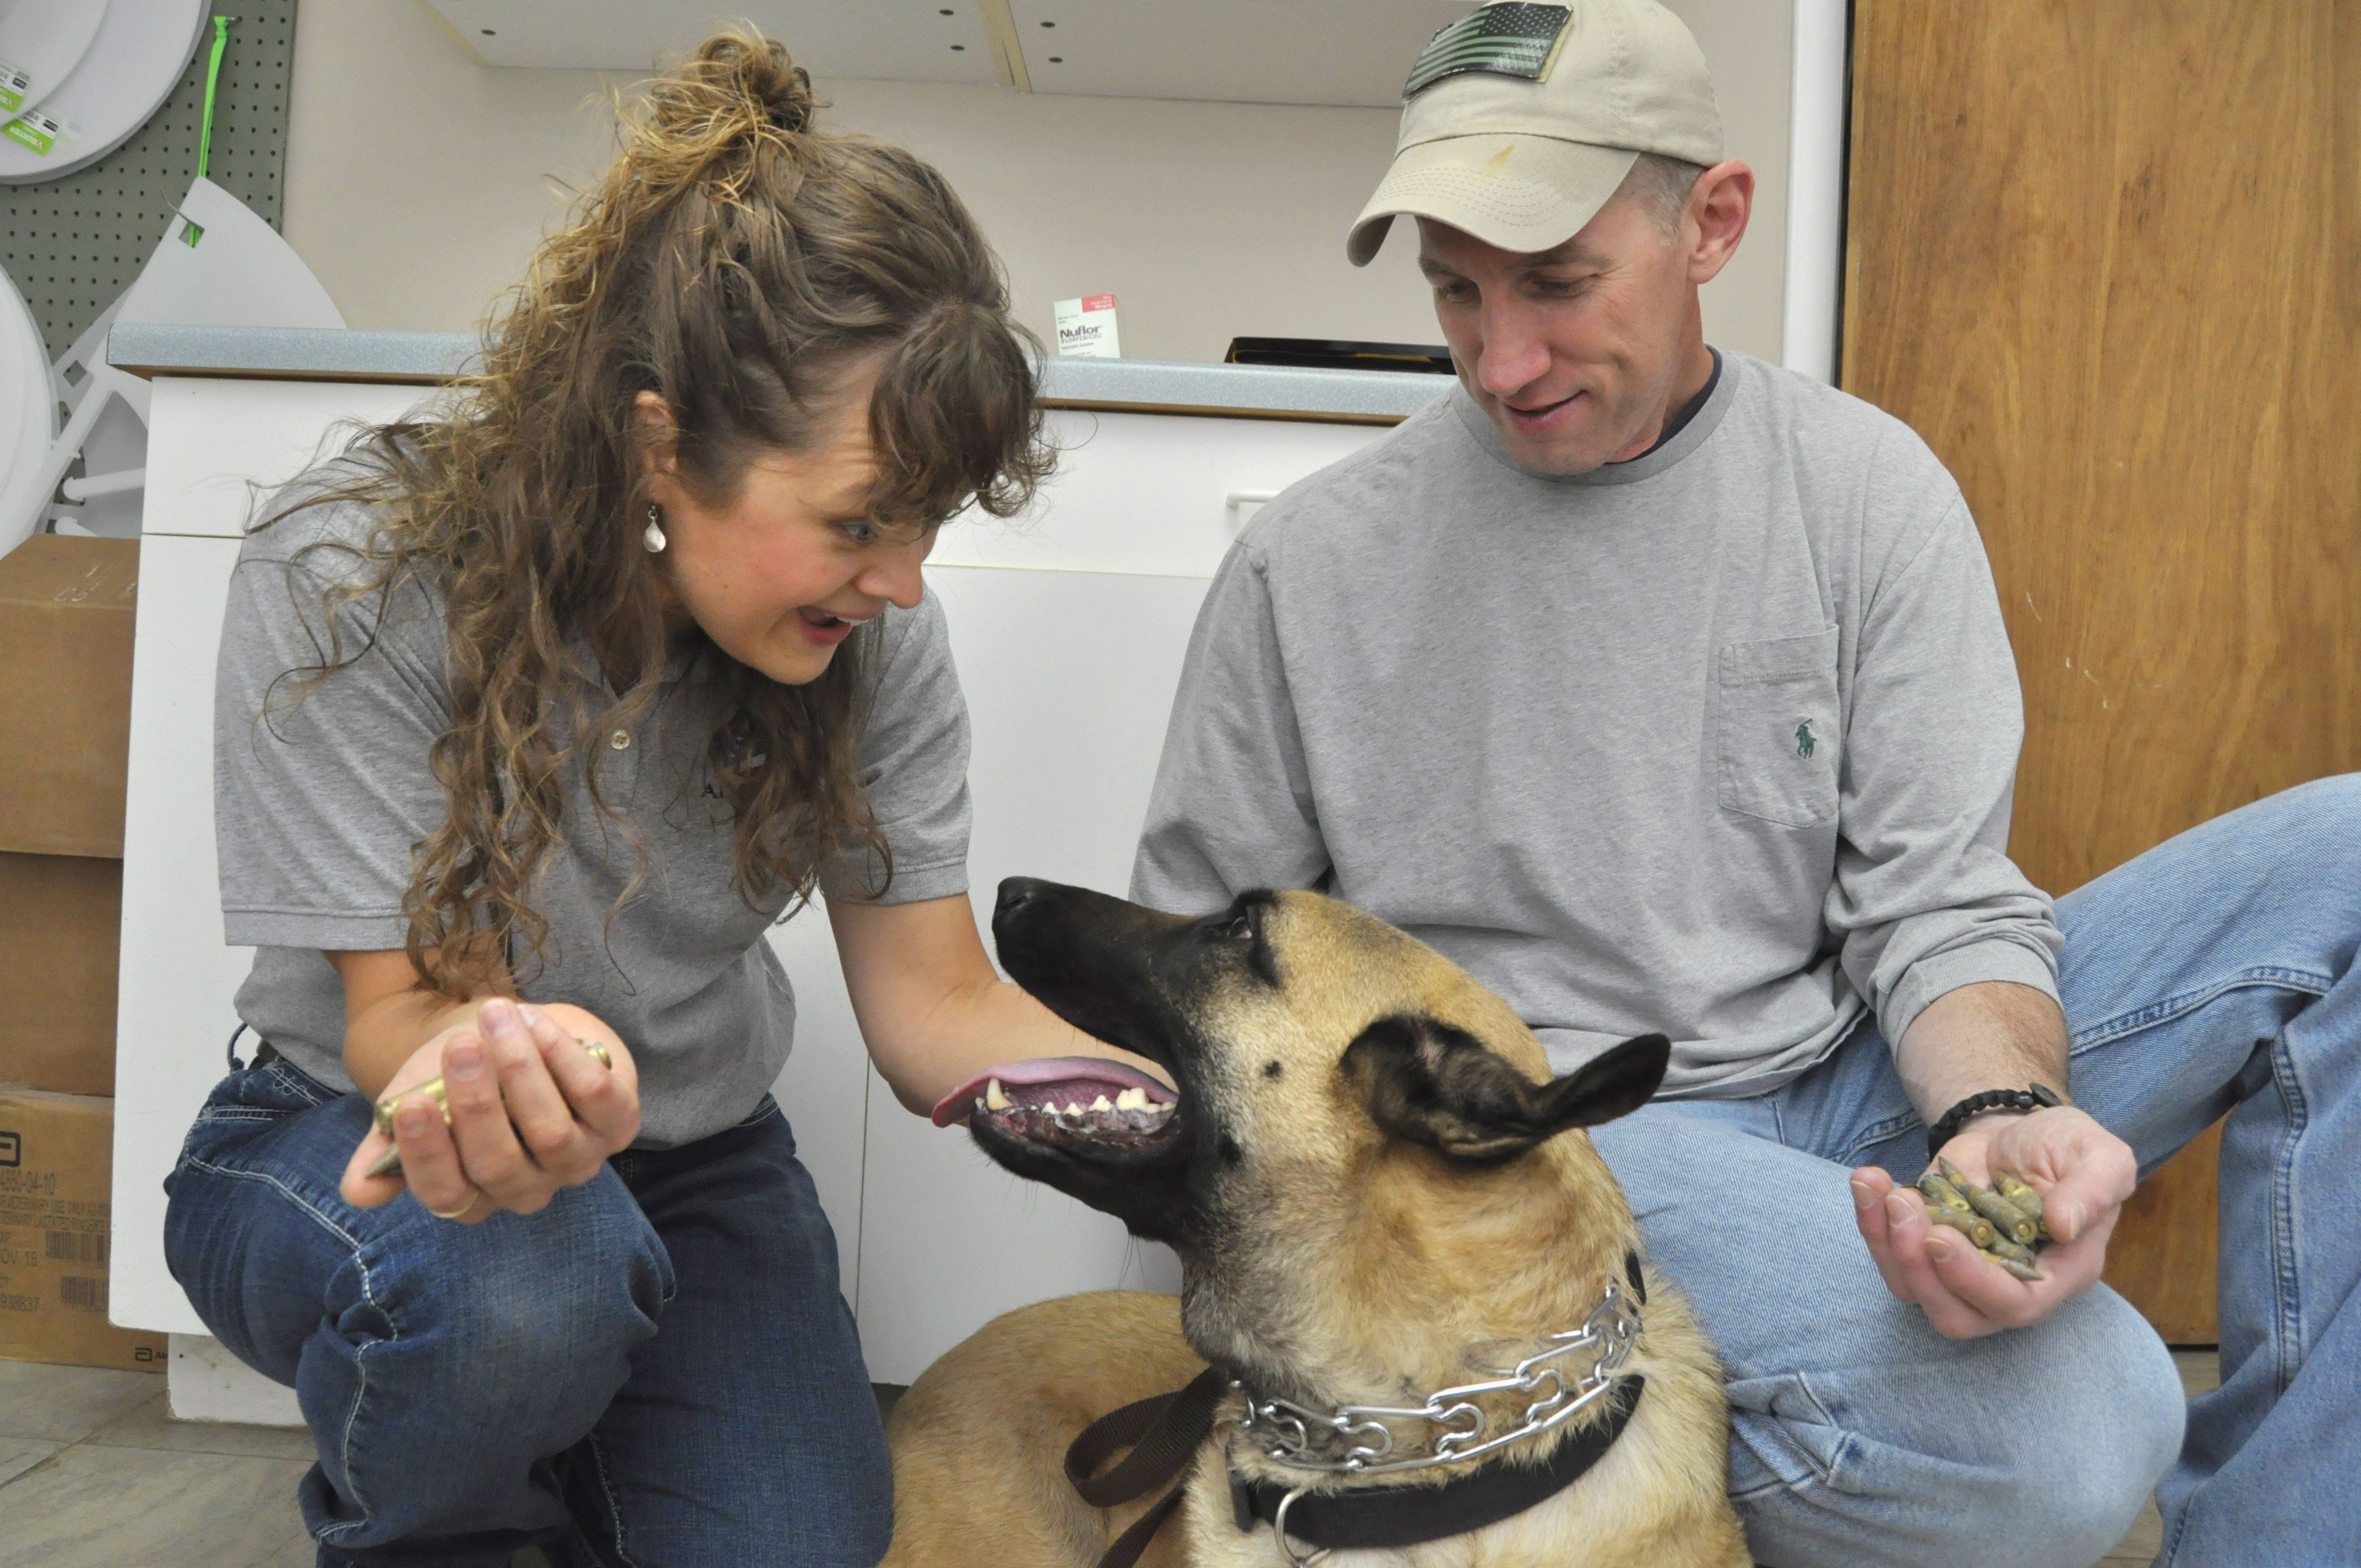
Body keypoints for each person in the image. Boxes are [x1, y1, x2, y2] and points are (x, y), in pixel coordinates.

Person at [1131, 3, 2359, 1565]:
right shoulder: (1304, 568)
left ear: (1711, 222)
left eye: (1561, 284)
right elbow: (1193, 1004)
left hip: (1850, 1072)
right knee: (2085, 1430)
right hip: (1558, 1137)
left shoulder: (1864, 490)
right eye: (1458, 292)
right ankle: (1587, 1481)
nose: (1502, 360)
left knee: (2352, 863)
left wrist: (1997, 1110)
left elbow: (1936, 899)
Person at [162, 32, 1140, 1568]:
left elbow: (935, 1000)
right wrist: (518, 1058)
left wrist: (1184, 1114)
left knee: (800, 1542)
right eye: (858, 522)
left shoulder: (874, 641)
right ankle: (436, 1525)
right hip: (353, 1141)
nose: (902, 581)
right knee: (518, 1293)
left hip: (695, 1168)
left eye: (930, 523)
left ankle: (553, 1443)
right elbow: (401, 1019)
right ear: (661, 442)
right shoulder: (356, 574)